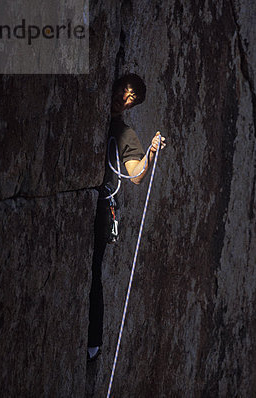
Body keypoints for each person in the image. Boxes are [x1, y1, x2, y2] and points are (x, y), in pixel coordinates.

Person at [88, 74, 166, 361]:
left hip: (101, 200)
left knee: (94, 270)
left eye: (130, 98)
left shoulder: (122, 131)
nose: (124, 97)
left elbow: (134, 175)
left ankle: (93, 342)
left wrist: (150, 153)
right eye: (124, 90)